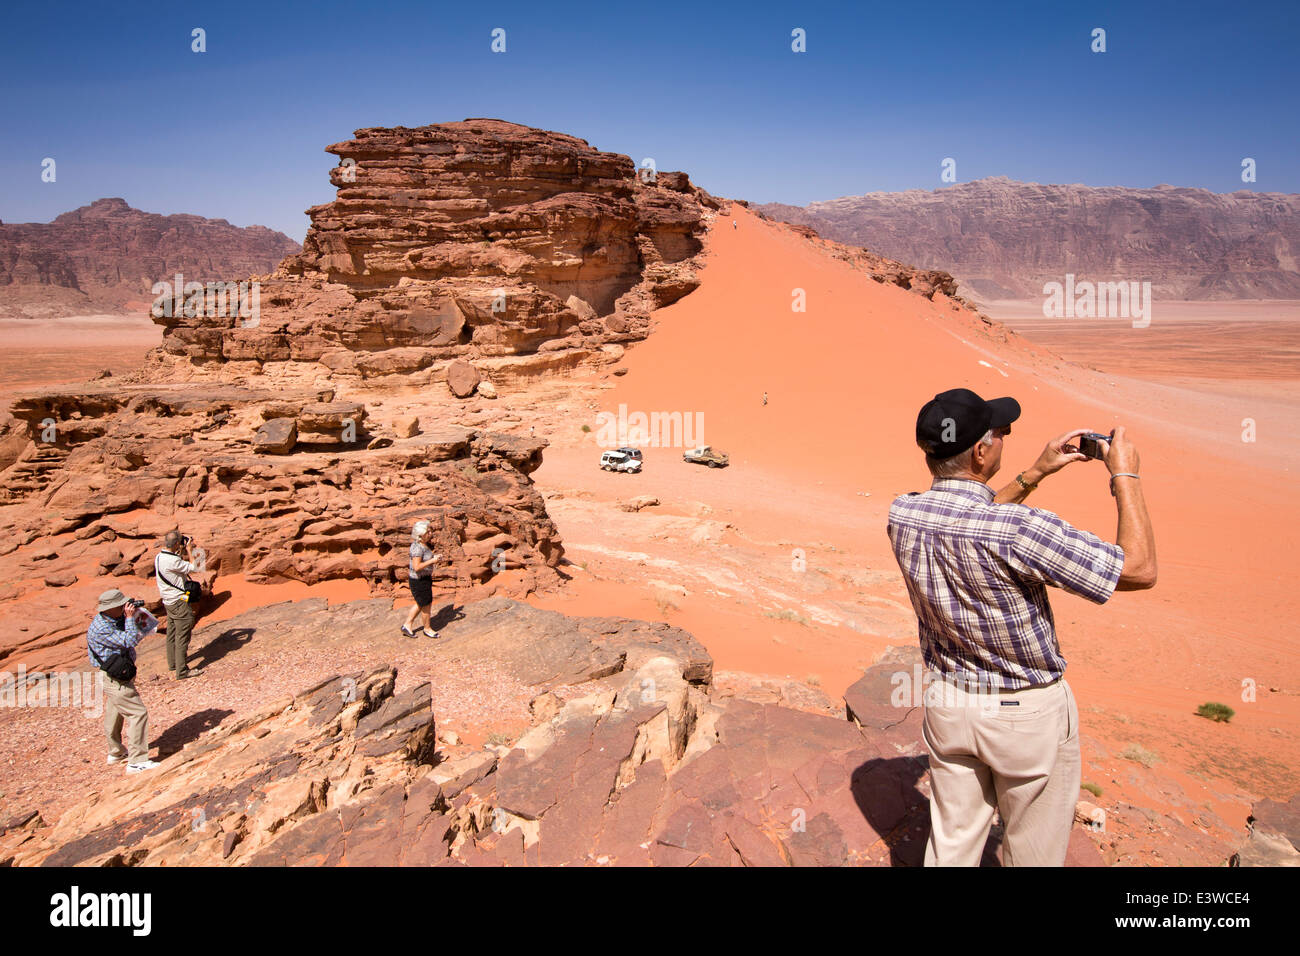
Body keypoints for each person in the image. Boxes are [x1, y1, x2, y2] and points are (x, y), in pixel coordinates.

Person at [886, 388, 1156, 866]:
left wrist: (1036, 473)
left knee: (951, 846)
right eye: (1000, 433)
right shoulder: (1020, 530)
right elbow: (1137, 570)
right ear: (982, 451)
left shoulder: (904, 513)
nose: (1005, 438)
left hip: (950, 707)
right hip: (1024, 715)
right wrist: (1124, 474)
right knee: (1032, 851)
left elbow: (973, 519)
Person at [87, 589, 159, 773]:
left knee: (115, 711)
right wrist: (128, 618)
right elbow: (129, 641)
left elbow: (148, 627)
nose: (125, 606)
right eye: (121, 605)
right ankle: (137, 761)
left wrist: (135, 615)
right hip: (114, 679)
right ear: (110, 608)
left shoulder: (112, 619)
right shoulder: (101, 628)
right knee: (138, 713)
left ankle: (116, 752)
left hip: (118, 675)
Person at [155, 531, 202, 679]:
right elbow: (194, 568)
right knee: (183, 634)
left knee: (172, 632)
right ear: (176, 544)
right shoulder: (173, 561)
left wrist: (180, 549)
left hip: (168, 601)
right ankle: (182, 671)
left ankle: (173, 663)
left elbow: (176, 563)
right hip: (178, 601)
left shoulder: (159, 557)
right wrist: (189, 550)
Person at [403, 520, 442, 638]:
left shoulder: (420, 544)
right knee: (426, 605)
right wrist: (433, 560)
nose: (430, 533)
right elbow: (416, 567)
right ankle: (427, 629)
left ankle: (407, 625)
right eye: (428, 532)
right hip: (419, 580)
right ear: (420, 536)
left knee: (421, 603)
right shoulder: (418, 548)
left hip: (423, 579)